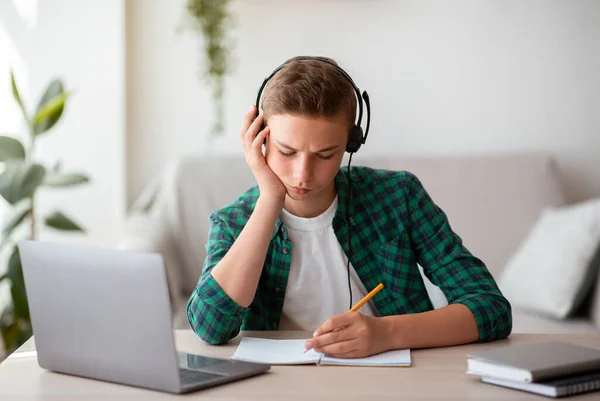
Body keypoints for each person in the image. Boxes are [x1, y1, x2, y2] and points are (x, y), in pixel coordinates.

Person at [186, 56, 512, 358]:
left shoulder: (400, 196)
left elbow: (491, 307)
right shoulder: (234, 221)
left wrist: (387, 333)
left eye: (325, 155)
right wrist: (270, 199)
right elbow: (210, 328)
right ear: (259, 138)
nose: (302, 175)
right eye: (286, 152)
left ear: (351, 144)